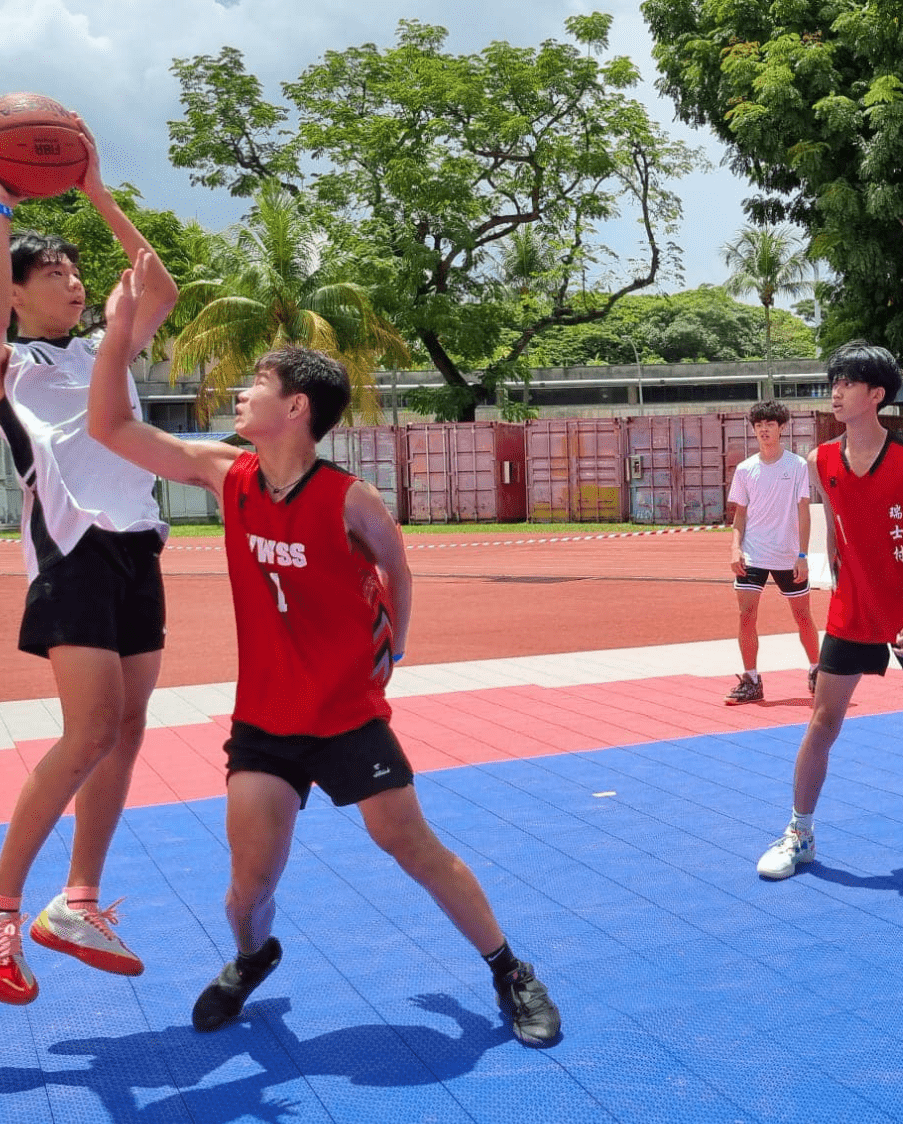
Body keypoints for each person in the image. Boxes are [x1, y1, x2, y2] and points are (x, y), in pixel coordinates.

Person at [82, 263, 561, 1046]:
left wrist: (395, 644)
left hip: (345, 716)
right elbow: (111, 429)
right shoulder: (225, 473)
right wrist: (114, 335)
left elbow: (398, 566)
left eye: (255, 382)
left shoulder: (349, 498)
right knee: (246, 889)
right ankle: (251, 957)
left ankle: (510, 968)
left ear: (296, 406)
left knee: (410, 846)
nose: (238, 392)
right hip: (266, 722)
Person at [0, 126, 180, 1005]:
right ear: (16, 291)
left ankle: (75, 902)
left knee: (126, 731)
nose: (77, 284)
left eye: (80, 274)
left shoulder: (103, 351)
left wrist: (93, 188)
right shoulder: (7, 362)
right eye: (56, 274)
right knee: (87, 732)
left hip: (136, 550)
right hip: (73, 553)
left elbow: (156, 283)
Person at [755, 342, 903, 896]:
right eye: (834, 381)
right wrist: (836, 584)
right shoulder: (822, 460)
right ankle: (800, 833)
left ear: (876, 395)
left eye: (848, 383)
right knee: (822, 722)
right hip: (851, 611)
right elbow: (837, 530)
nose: (835, 392)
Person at [724, 400, 820, 704]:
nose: (764, 430)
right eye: (759, 425)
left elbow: (803, 512)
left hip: (787, 555)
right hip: (753, 553)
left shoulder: (797, 466)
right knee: (746, 615)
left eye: (770, 424)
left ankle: (818, 670)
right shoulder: (745, 469)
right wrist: (735, 548)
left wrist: (802, 555)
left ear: (781, 428)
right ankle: (751, 679)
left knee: (802, 615)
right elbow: (740, 514)